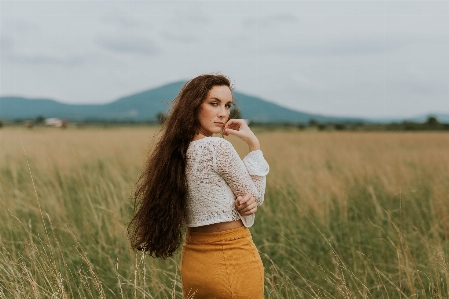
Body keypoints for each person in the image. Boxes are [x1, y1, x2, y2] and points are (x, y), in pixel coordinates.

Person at [128, 74, 269, 298]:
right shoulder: (216, 147)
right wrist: (254, 144)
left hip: (194, 261)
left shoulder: (174, 154)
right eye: (214, 104)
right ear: (194, 105)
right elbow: (256, 196)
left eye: (227, 105)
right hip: (231, 257)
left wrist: (245, 202)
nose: (223, 113)